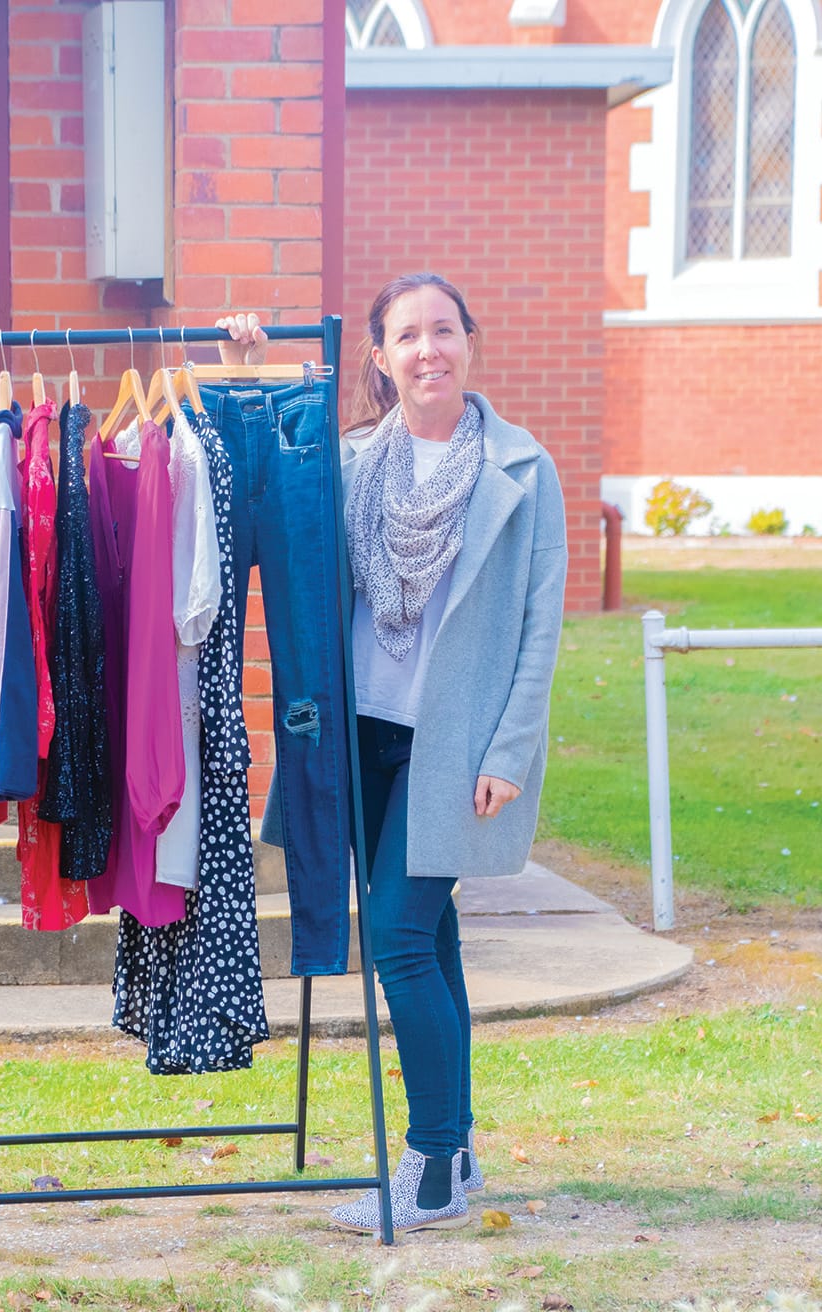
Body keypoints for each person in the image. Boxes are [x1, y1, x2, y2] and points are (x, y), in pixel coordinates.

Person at [218, 276, 566, 1233]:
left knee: (399, 939)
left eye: (442, 330)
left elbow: (539, 627)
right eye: (406, 335)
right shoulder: (348, 461)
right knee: (430, 937)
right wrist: (249, 368)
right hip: (355, 733)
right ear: (378, 356)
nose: (427, 350)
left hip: (453, 743)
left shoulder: (521, 468)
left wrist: (510, 750)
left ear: (468, 341)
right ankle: (457, 1150)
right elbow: (261, 487)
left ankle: (431, 1165)